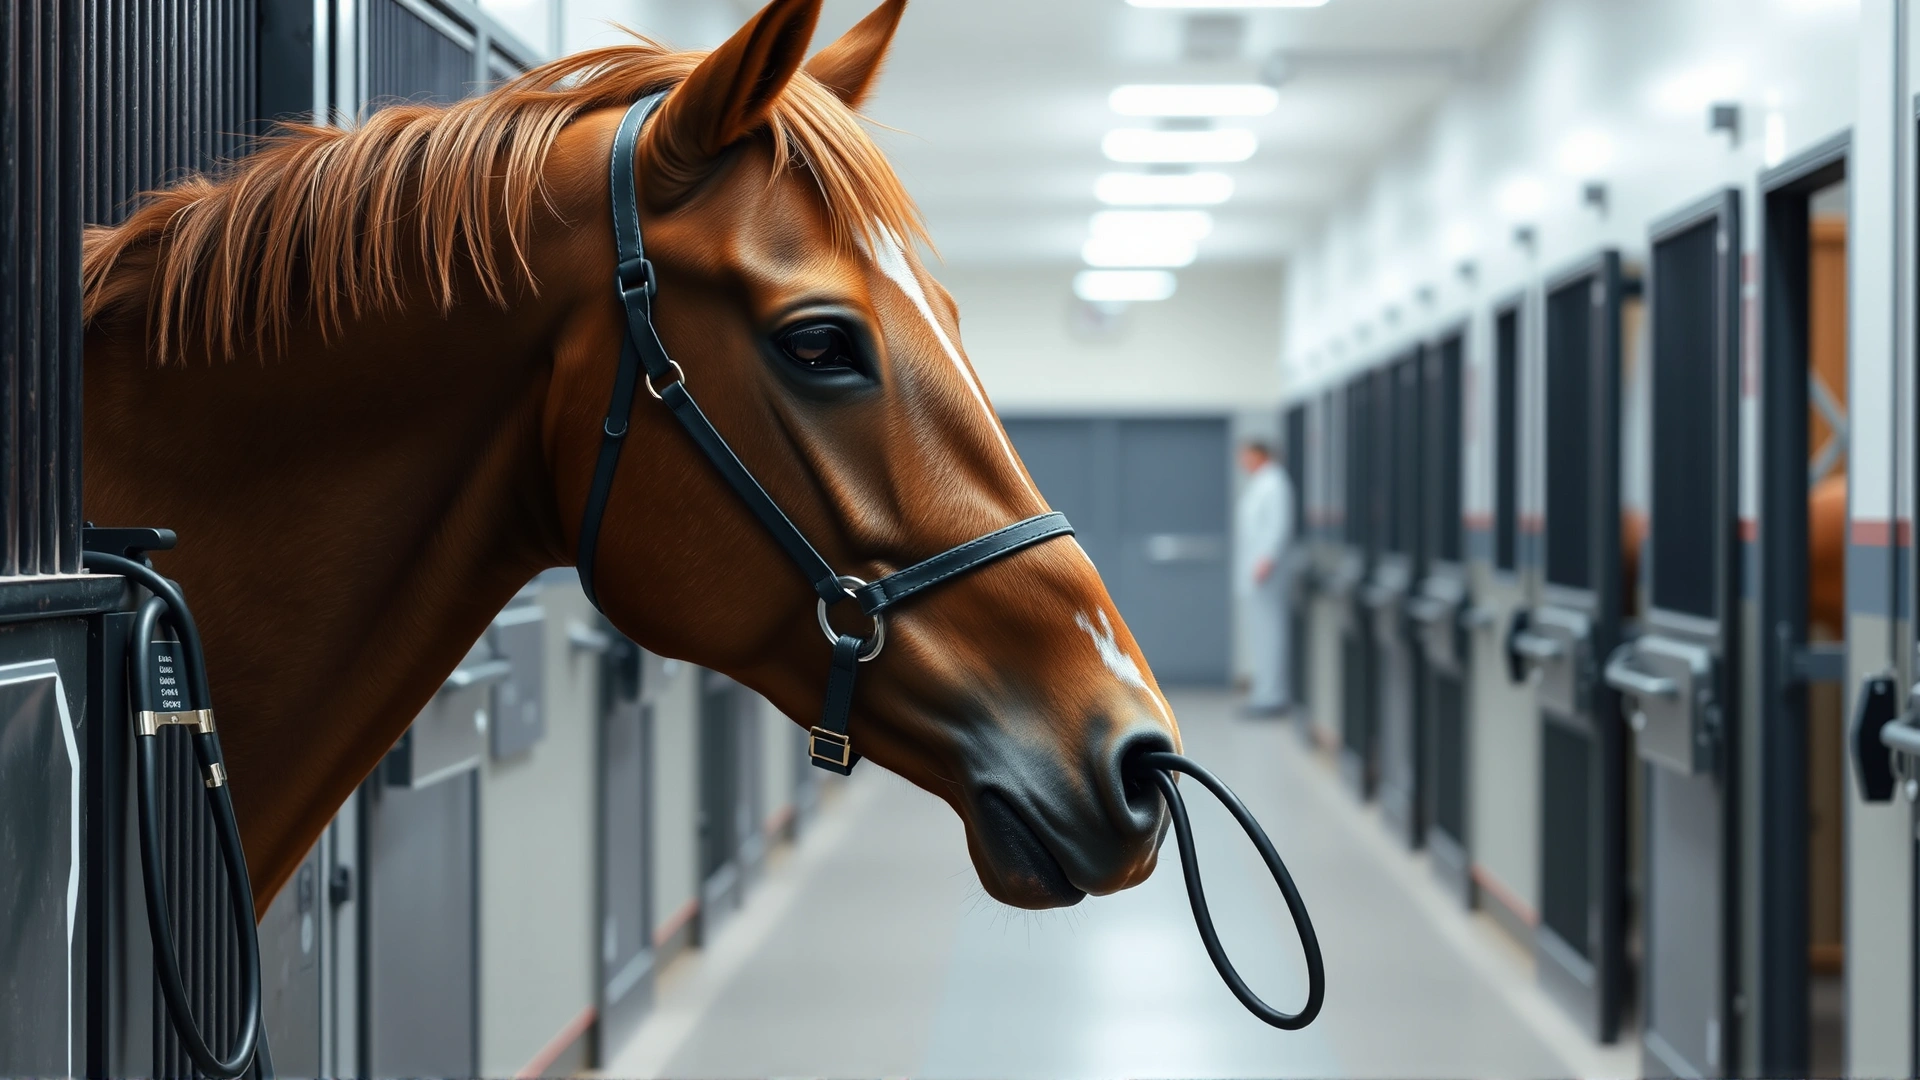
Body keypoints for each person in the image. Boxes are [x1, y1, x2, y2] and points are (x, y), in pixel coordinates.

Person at [1235, 440, 1294, 717]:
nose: (1242, 461)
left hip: (1266, 573)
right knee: (1260, 634)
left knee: (1270, 633)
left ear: (1259, 454)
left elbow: (1277, 526)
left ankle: (1272, 695)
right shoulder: (1262, 483)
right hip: (1256, 573)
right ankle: (1263, 692)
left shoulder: (1275, 484)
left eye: (1246, 455)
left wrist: (1266, 560)